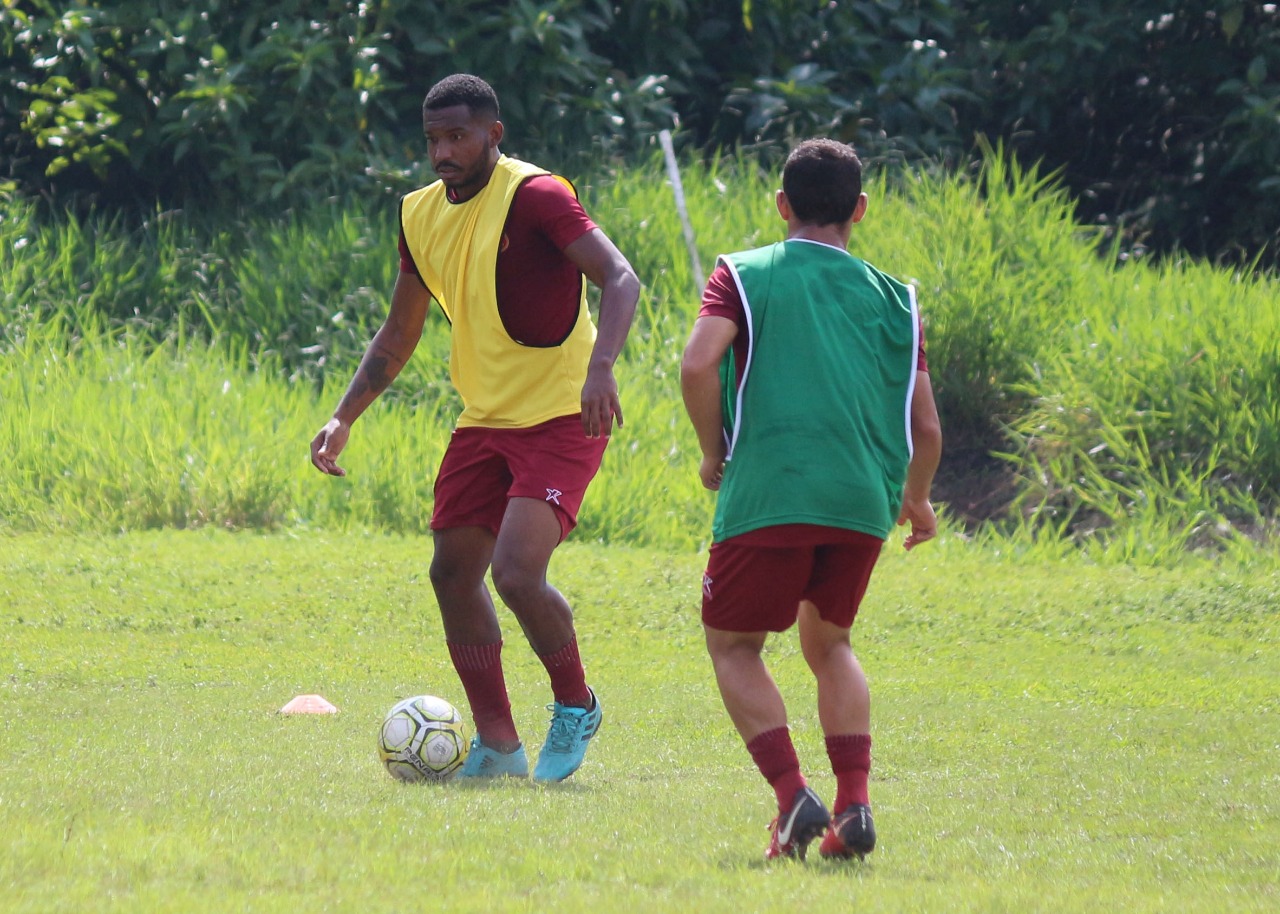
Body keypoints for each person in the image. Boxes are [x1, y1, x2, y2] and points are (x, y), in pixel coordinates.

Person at [310, 73, 639, 783]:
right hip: (484, 418)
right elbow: (399, 332)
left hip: (563, 412)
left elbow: (620, 278)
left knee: (516, 572)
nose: (442, 152)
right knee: (453, 572)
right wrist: (342, 417)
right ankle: (498, 744)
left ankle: (576, 704)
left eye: (458, 136)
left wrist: (602, 367)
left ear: (494, 134)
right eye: (432, 138)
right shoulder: (418, 214)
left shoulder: (538, 195)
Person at [680, 138, 942, 860]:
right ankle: (854, 804)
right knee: (830, 645)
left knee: (734, 644)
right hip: (862, 500)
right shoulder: (898, 298)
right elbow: (925, 427)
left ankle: (795, 797)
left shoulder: (744, 273)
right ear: (860, 209)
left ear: (781, 205)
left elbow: (699, 363)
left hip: (772, 488)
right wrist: (915, 498)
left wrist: (713, 450)